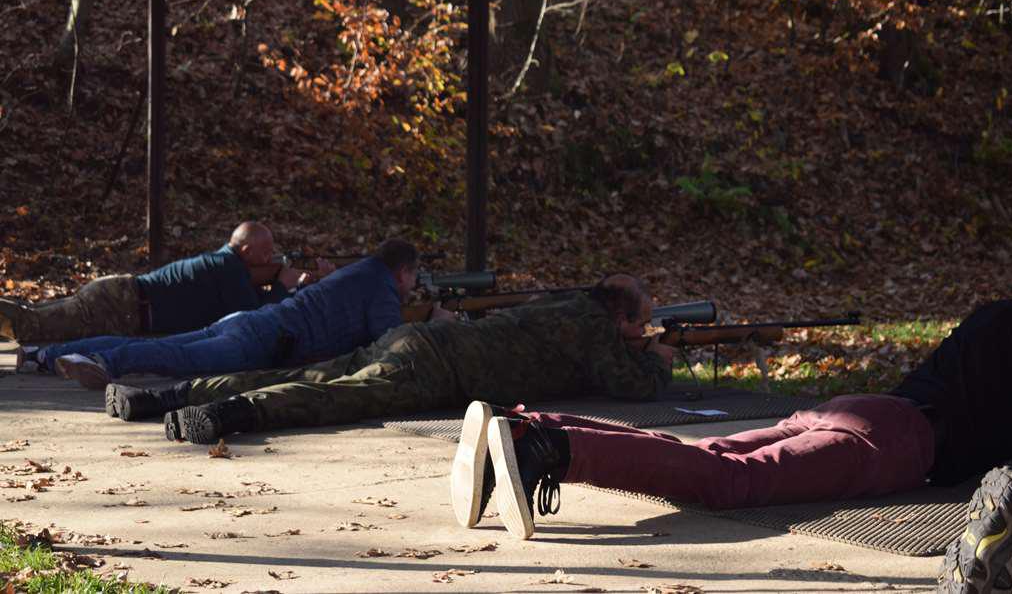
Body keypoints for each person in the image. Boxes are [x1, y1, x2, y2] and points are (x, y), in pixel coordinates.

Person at [449, 300, 1012, 594]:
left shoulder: (996, 317)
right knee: (731, 482)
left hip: (866, 408)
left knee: (703, 455)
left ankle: (522, 427)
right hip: (897, 442)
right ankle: (550, 446)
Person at [99, 274, 675, 448]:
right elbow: (632, 386)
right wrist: (659, 359)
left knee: (305, 374)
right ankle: (227, 414)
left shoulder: (564, 306)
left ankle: (163, 397)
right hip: (435, 370)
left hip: (419, 341)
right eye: (643, 321)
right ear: (622, 319)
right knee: (333, 396)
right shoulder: (595, 329)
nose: (644, 330)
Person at [54, 239, 432, 390]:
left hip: (249, 321)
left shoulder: (359, 274)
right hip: (263, 339)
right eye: (414, 277)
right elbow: (392, 343)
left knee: (169, 346)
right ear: (403, 271)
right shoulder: (381, 287)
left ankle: (49, 354)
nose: (412, 285)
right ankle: (103, 362)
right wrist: (433, 325)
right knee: (178, 358)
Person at [0, 222, 301, 350]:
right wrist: (282, 286)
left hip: (118, 298)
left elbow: (243, 301)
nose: (270, 258)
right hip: (118, 305)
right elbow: (252, 316)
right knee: (31, 325)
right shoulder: (229, 268)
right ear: (246, 251)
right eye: (266, 252)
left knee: (32, 316)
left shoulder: (226, 265)